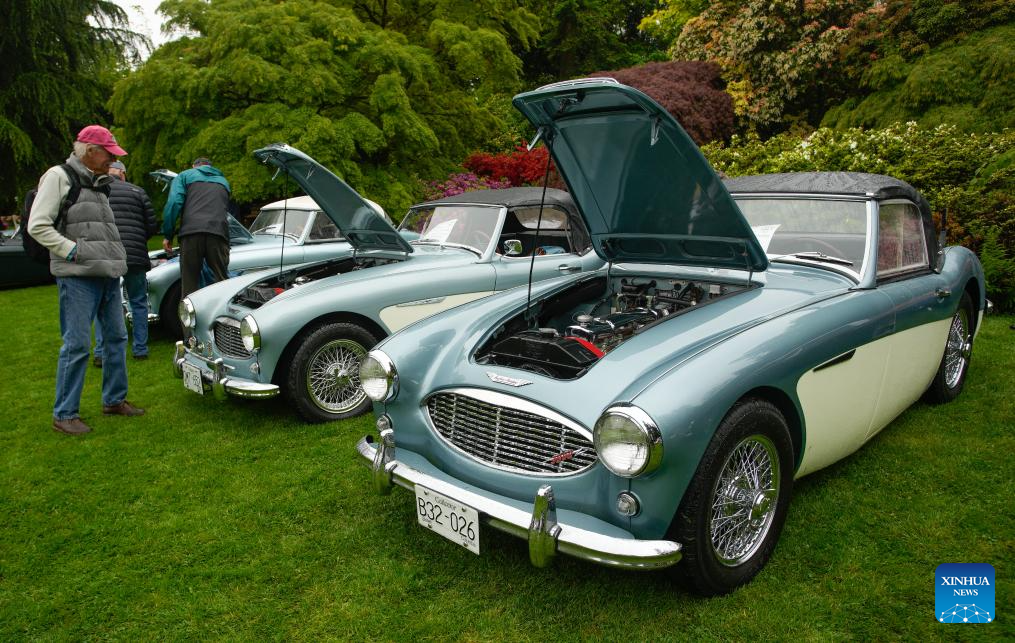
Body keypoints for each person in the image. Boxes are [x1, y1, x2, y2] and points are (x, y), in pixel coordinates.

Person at [28, 125, 145, 436]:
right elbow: (37, 225)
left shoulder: (100, 182)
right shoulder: (59, 176)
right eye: (109, 155)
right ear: (90, 151)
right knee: (77, 344)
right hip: (78, 276)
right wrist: (72, 251)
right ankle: (65, 414)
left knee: (117, 338)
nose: (113, 161)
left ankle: (114, 400)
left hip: (108, 273)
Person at [93, 161, 158, 365]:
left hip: (107, 254)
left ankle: (101, 352)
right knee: (138, 301)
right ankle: (140, 349)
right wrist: (138, 239)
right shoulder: (137, 192)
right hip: (134, 254)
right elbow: (152, 225)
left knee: (103, 303)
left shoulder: (97, 191)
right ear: (123, 174)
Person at [162, 157, 231, 298]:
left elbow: (174, 203)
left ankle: (189, 310)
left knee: (189, 284)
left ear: (194, 166)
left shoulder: (184, 176)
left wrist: (168, 235)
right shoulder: (223, 181)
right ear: (210, 167)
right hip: (218, 233)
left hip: (191, 233)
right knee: (222, 282)